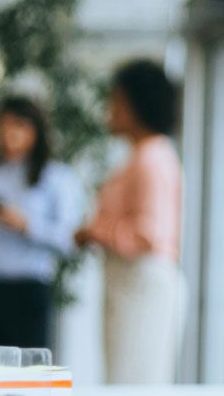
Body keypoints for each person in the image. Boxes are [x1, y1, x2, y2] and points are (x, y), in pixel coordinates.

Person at [75, 59, 183, 384]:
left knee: (133, 383)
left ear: (136, 104)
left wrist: (95, 231)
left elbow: (149, 235)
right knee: (125, 380)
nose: (110, 109)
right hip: (128, 283)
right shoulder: (142, 156)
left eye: (116, 101)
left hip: (142, 284)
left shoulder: (152, 158)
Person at [0, 96, 82, 350]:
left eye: (18, 125)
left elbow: (69, 240)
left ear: (36, 130)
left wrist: (26, 225)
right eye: (3, 125)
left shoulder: (55, 179)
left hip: (28, 291)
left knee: (29, 377)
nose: (9, 133)